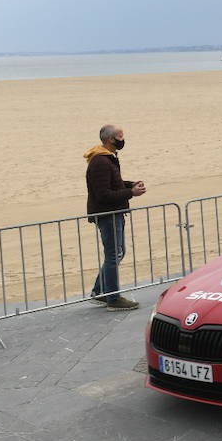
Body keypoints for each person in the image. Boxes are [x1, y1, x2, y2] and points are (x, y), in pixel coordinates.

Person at [83, 124, 145, 311]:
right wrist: (131, 193)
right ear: (110, 139)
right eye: (120, 136)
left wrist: (130, 184)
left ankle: (100, 292)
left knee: (118, 252)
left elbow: (114, 184)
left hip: (113, 213)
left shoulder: (107, 158)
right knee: (113, 255)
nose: (122, 139)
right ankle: (113, 298)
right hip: (107, 214)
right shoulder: (101, 161)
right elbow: (104, 194)